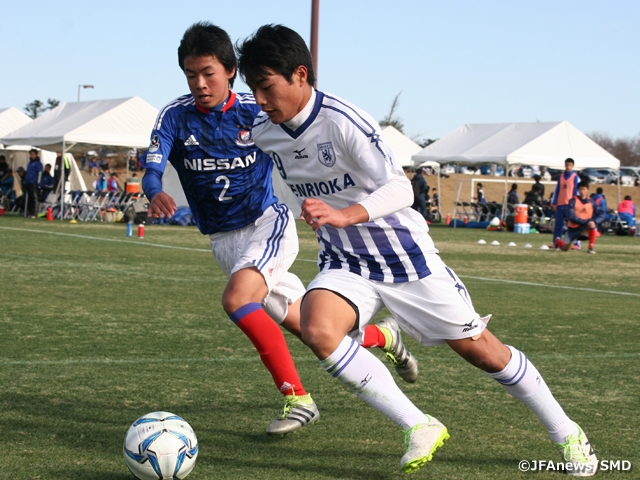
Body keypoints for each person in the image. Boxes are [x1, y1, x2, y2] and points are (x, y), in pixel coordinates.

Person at [238, 24, 598, 475]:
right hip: (345, 260)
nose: (260, 98)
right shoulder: (263, 130)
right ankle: (419, 423)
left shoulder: (344, 121)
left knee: (481, 350)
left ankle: (567, 432)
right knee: (317, 328)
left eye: (266, 86)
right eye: (253, 88)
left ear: (300, 75)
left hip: (404, 257)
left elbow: (400, 189)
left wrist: (344, 213)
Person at [554, 181, 603, 254]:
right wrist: (585, 221)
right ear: (578, 190)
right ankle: (557, 240)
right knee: (565, 248)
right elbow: (571, 217)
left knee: (592, 223)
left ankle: (590, 248)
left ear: (587, 190)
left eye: (584, 189)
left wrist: (596, 221)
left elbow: (602, 213)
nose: (582, 191)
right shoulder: (572, 201)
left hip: (584, 228)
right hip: (573, 229)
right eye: (580, 189)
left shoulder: (592, 202)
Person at [550, 158, 580, 247]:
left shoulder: (575, 177)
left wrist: (576, 203)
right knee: (558, 225)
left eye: (570, 165)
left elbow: (576, 191)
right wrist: (554, 203)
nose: (568, 167)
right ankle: (556, 242)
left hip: (570, 205)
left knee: (573, 225)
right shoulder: (561, 177)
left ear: (573, 166)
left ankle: (577, 243)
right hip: (560, 204)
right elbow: (557, 190)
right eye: (567, 165)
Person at [25, 149, 43, 217]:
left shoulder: (38, 164)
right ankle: (30, 212)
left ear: (36, 155)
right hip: (28, 182)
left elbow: (40, 173)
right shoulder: (29, 163)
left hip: (34, 183)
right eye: (31, 154)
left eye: (33, 154)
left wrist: (38, 183)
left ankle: (34, 213)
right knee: (29, 198)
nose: (32, 156)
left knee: (34, 198)